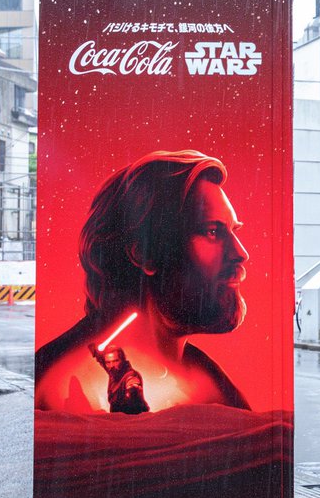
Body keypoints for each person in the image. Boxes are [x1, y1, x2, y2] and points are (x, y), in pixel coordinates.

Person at [36, 150, 250, 412]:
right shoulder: (62, 384)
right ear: (144, 252)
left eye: (233, 231)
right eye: (212, 232)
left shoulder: (210, 383)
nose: (240, 253)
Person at [89, 344, 150, 414]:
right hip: (118, 420)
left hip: (132, 420)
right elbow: (102, 360)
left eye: (115, 361)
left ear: (123, 361)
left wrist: (132, 391)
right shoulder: (113, 371)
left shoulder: (131, 375)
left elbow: (133, 384)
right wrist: (95, 351)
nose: (111, 365)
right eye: (108, 362)